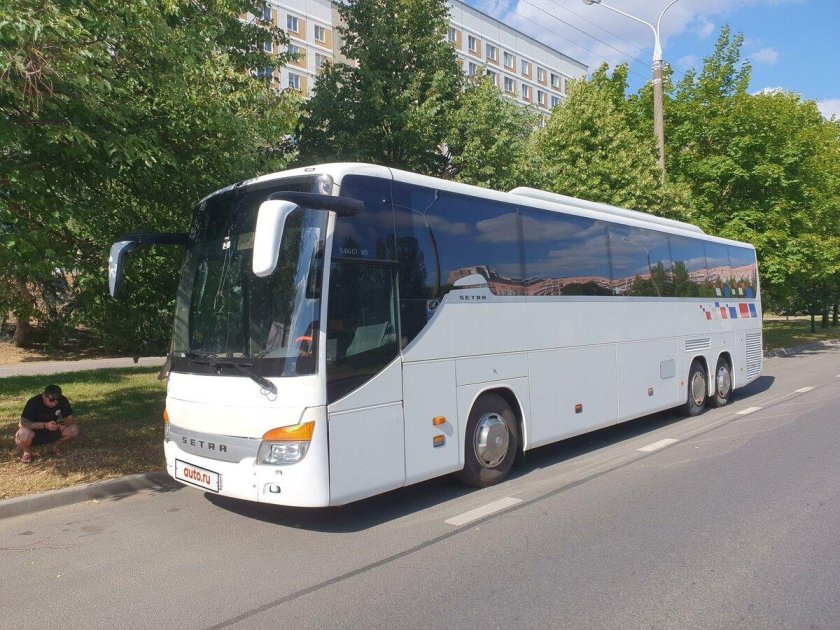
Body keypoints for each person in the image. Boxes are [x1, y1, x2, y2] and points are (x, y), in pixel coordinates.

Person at [16, 384, 80, 463]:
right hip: (34, 432)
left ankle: (55, 447)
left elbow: (69, 418)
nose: (54, 404)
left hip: (52, 429)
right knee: (22, 434)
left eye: (57, 400)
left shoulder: (63, 400)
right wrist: (45, 425)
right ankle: (27, 452)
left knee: (74, 429)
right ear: (44, 396)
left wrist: (64, 424)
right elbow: (22, 423)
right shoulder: (33, 402)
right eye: (51, 400)